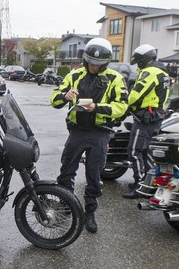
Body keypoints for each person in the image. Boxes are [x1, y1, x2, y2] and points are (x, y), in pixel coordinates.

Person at [50, 38, 128, 233]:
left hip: (100, 133)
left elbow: (122, 106)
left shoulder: (115, 78)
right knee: (66, 170)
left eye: (98, 65)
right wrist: (64, 96)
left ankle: (90, 212)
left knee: (93, 175)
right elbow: (54, 98)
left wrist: (97, 108)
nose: (94, 67)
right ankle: (66, 204)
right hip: (77, 131)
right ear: (85, 60)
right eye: (91, 63)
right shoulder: (74, 75)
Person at [122, 44, 170, 199]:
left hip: (145, 119)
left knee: (134, 151)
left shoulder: (150, 72)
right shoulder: (163, 72)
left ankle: (139, 184)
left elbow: (135, 95)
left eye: (139, 61)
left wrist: (124, 104)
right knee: (147, 151)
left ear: (144, 59)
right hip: (155, 117)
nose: (138, 65)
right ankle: (150, 182)